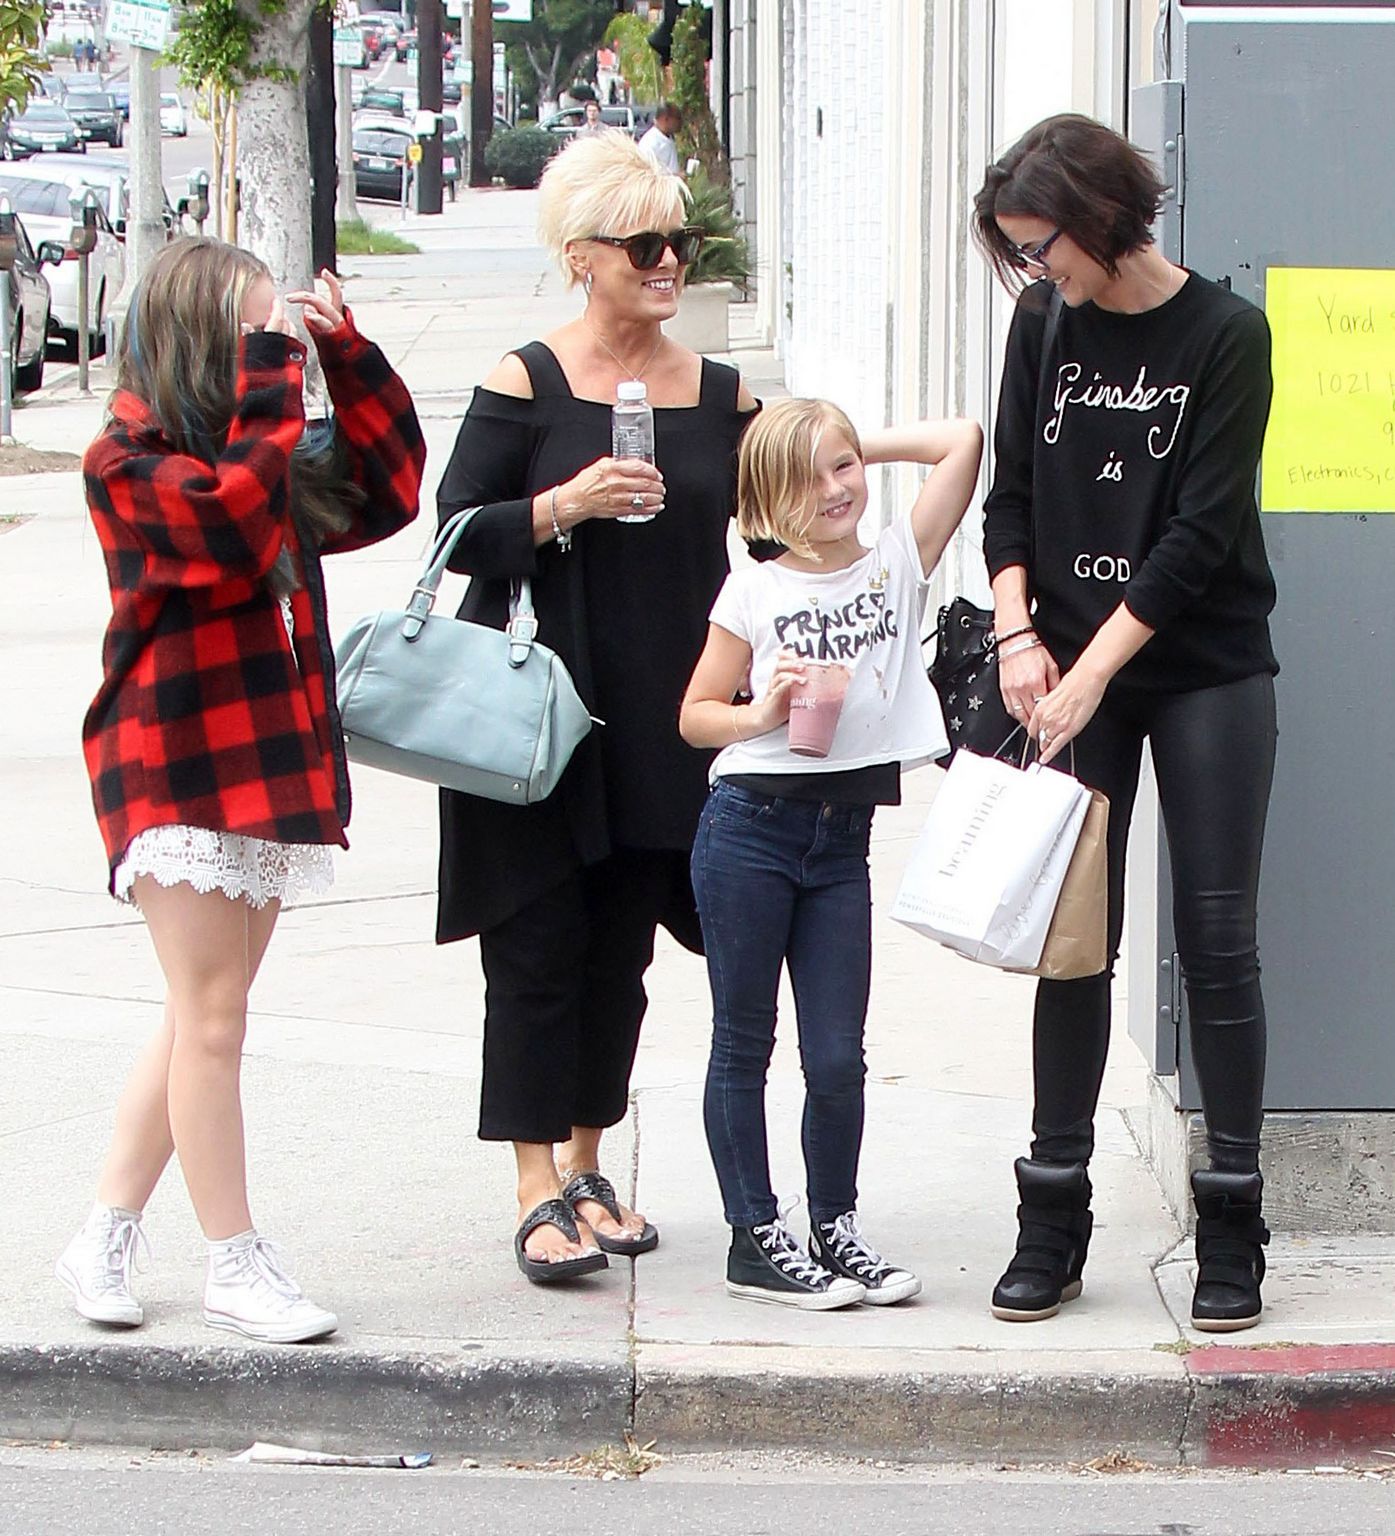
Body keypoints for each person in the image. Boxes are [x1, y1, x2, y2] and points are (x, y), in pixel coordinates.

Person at [59, 239, 425, 1343]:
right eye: (251, 340)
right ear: (197, 345)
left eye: (278, 342)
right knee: (213, 1018)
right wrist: (275, 377)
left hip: (263, 755)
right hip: (171, 755)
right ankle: (234, 1261)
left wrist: (345, 357)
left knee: (198, 1017)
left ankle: (103, 1233)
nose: (276, 363)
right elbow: (224, 526)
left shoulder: (255, 450)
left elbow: (388, 492)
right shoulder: (126, 459)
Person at [435, 131, 759, 1285]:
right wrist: (560, 504)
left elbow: (775, 539)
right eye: (643, 244)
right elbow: (455, 525)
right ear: (583, 255)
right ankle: (532, 1186)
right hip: (537, 710)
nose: (668, 260)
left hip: (664, 710)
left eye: (679, 240)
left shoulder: (722, 394)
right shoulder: (529, 379)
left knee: (622, 954)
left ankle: (584, 1164)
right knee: (536, 946)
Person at [973, 113, 1278, 1332]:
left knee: (1216, 943)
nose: (1031, 271)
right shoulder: (1044, 322)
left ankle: (1232, 1225)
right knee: (1071, 944)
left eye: (1040, 246)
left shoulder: (1227, 333)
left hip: (1201, 668)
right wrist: (1015, 633)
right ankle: (1051, 1216)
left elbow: (1198, 541)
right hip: (1061, 665)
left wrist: (1092, 671)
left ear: (1101, 220)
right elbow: (1012, 495)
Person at [679, 400, 982, 1309]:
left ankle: (834, 1226)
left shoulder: (894, 563)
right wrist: (761, 712)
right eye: (805, 479)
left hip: (840, 841)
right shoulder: (754, 590)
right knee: (744, 1040)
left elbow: (961, 441)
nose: (833, 491)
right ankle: (754, 1234)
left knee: (837, 1054)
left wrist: (842, 436)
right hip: (749, 826)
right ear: (766, 499)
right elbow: (695, 716)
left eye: (842, 469)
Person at [637, 102, 681, 176]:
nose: (680, 123)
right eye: (677, 119)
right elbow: (647, 174)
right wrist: (674, 176)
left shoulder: (667, 138)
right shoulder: (649, 143)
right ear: (666, 119)